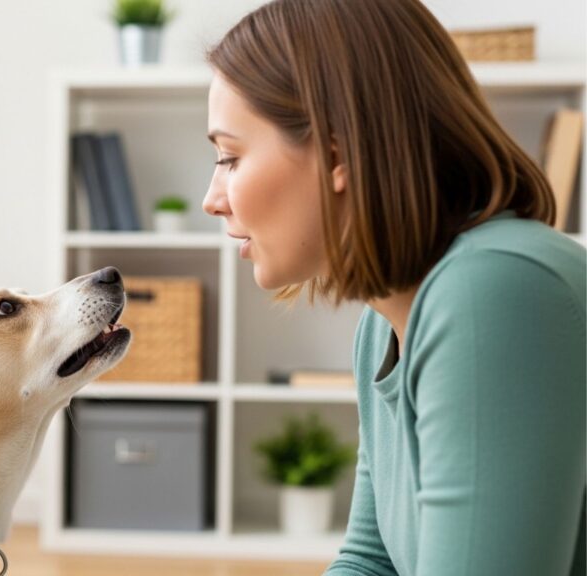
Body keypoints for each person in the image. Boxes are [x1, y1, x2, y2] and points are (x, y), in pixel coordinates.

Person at [201, 0, 586, 574]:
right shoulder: (382, 327)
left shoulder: (495, 293)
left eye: (230, 157)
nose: (213, 198)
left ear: (337, 155)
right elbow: (371, 559)